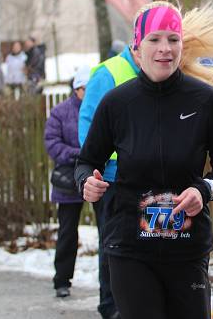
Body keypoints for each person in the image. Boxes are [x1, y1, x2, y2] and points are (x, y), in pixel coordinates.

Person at [75, 1, 213, 319]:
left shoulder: (204, 100)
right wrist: (87, 181)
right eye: (154, 39)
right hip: (130, 248)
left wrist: (204, 189)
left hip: (187, 248)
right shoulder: (117, 103)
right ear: (137, 48)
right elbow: (85, 161)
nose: (165, 48)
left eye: (173, 39)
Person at [78, 40, 142, 319]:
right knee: (114, 246)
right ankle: (111, 306)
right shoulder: (108, 74)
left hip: (148, 179)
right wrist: (97, 169)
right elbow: (89, 127)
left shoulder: (159, 72)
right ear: (136, 44)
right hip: (112, 180)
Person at [44, 67, 90, 299]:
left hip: (97, 177)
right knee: (67, 232)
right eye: (85, 88)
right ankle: (62, 280)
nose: (89, 92)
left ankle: (112, 284)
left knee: (109, 231)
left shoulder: (100, 109)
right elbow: (52, 143)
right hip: (68, 180)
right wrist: (78, 154)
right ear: (77, 89)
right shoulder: (60, 113)